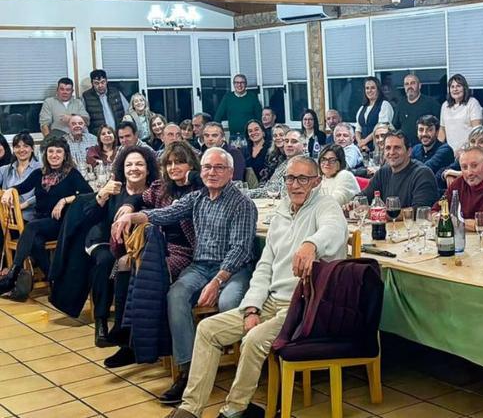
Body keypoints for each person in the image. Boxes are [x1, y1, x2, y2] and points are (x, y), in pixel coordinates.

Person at [163, 156, 348, 418]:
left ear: (317, 182)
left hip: (305, 306)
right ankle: (190, 409)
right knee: (207, 329)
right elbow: (264, 268)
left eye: (303, 179)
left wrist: (311, 244)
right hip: (272, 302)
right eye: (290, 178)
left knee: (254, 339)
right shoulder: (282, 212)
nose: (295, 185)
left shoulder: (327, 206)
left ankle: (234, 410)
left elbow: (334, 230)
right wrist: (251, 308)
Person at [111, 147, 257, 404]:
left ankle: (241, 373)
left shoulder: (242, 204)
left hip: (232, 269)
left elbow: (241, 250)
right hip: (200, 266)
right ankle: (189, 370)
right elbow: (166, 214)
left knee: (227, 303)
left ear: (231, 173)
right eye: (208, 168)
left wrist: (217, 281)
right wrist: (133, 216)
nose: (212, 173)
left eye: (219, 168)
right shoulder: (198, 197)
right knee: (175, 295)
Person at [103, 142, 202, 367]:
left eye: (180, 162)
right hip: (160, 247)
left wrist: (193, 176)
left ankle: (135, 341)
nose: (174, 167)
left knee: (146, 269)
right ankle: (127, 337)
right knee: (124, 263)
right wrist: (129, 206)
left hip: (188, 251)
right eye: (169, 163)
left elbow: (207, 179)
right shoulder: (161, 187)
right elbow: (141, 198)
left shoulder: (199, 188)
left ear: (191, 164)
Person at [90, 146, 160, 357]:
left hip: (142, 247)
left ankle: (125, 336)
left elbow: (147, 208)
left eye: (139, 164)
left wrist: (131, 207)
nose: (134, 169)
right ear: (122, 168)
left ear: (148, 169)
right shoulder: (115, 189)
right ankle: (101, 322)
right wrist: (101, 195)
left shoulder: (153, 191)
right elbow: (92, 217)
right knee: (105, 262)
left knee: (125, 264)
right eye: (129, 164)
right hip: (110, 243)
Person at [0, 138, 93, 294]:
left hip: (62, 222)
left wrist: (64, 200)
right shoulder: (39, 173)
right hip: (42, 222)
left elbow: (90, 194)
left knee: (31, 227)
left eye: (58, 151)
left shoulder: (72, 173)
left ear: (65, 155)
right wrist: (10, 190)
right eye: (50, 151)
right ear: (45, 154)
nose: (54, 155)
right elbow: (21, 187)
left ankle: (12, 275)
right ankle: (54, 280)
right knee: (35, 241)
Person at [359, 130, 438, 208]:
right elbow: (364, 196)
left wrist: (375, 213)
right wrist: (354, 203)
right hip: (387, 221)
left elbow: (418, 211)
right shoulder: (383, 172)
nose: (392, 152)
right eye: (388, 148)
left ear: (409, 152)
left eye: (397, 148)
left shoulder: (422, 174)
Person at [247, 129, 304, 199]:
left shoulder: (303, 164)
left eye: (294, 142)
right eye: (286, 141)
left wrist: (247, 194)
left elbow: (277, 191)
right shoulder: (285, 161)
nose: (289, 145)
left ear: (304, 145)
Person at [0, 133, 41, 222]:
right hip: (7, 216)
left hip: (31, 216)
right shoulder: (5, 170)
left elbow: (43, 194)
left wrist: (22, 206)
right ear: (13, 149)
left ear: (32, 148)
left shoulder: (41, 169)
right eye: (17, 147)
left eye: (26, 146)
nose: (21, 150)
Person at [392, 73, 441, 146]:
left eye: (412, 83)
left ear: (419, 86)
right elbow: (395, 127)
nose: (409, 86)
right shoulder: (400, 105)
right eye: (407, 84)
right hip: (406, 149)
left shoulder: (431, 103)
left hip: (427, 148)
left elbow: (441, 126)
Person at [439, 73, 483, 154]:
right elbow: (442, 130)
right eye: (452, 87)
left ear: (464, 88)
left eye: (458, 86)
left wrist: (464, 149)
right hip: (449, 153)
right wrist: (438, 149)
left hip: (468, 151)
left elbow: (477, 133)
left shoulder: (473, 103)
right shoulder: (445, 105)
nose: (455, 89)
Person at [215, 74, 262, 140]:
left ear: (246, 84)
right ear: (234, 84)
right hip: (234, 136)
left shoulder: (252, 97)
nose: (239, 85)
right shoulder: (228, 97)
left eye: (242, 82)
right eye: (237, 83)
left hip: (250, 136)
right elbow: (218, 115)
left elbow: (259, 117)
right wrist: (215, 131)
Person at [82, 69, 130, 133]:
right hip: (98, 137)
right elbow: (84, 120)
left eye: (103, 82)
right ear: (92, 83)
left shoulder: (116, 92)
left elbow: (128, 111)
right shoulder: (86, 97)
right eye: (96, 83)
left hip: (118, 135)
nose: (100, 85)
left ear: (107, 81)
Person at [355, 77, 394, 154]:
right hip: (364, 149)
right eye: (367, 88)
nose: (369, 91)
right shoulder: (362, 108)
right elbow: (358, 129)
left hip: (380, 148)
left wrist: (365, 141)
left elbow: (381, 128)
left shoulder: (384, 105)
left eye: (373, 88)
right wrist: (360, 143)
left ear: (378, 90)